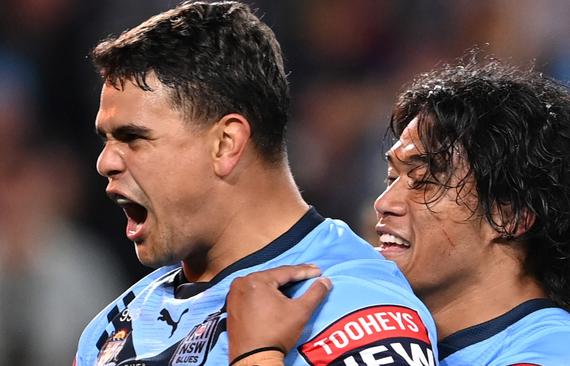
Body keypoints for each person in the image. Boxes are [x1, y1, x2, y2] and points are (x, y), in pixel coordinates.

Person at [74, 2, 438, 365]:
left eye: (133, 138)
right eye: (106, 140)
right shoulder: (112, 328)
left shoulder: (355, 308)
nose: (105, 162)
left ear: (226, 143)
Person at [226, 57, 570, 365]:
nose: (384, 203)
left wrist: (257, 356)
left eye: (423, 181)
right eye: (391, 177)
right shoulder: (380, 334)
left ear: (509, 215)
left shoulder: (550, 351)